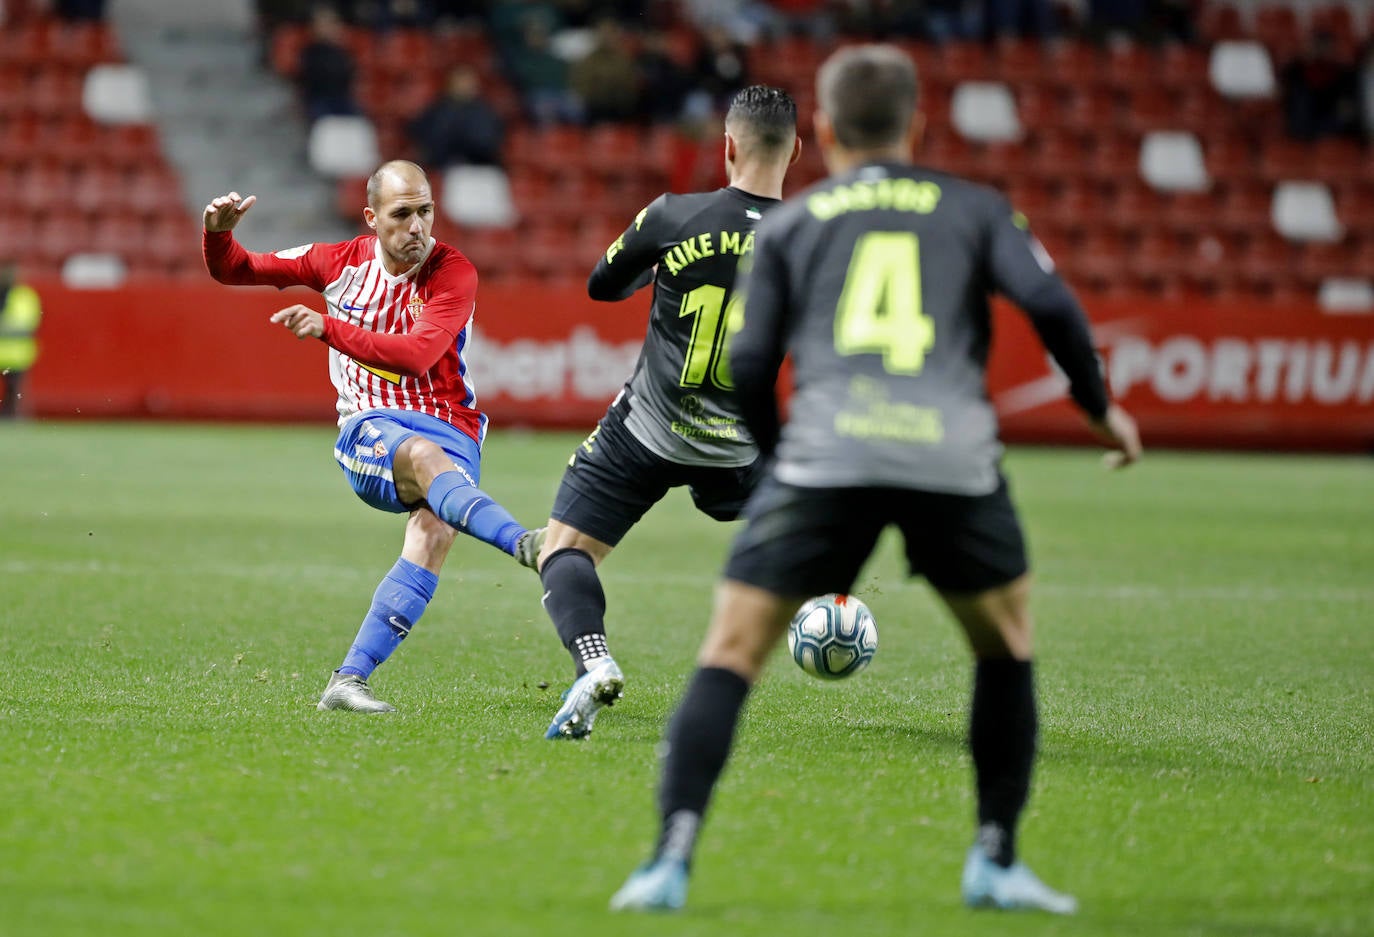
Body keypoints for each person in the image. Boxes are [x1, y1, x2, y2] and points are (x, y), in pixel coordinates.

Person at [609, 44, 1142, 914]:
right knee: (1003, 642)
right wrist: (1097, 408)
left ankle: (669, 859)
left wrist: (778, 455)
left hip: (828, 454)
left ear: (822, 128)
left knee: (734, 647)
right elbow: (1051, 305)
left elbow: (748, 359)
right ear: (917, 125)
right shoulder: (975, 208)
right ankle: (996, 858)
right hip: (950, 457)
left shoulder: (793, 221)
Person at [201, 159, 543, 714]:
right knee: (425, 459)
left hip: (453, 427)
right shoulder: (334, 262)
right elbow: (237, 269)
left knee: (433, 534)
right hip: (371, 427)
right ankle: (528, 545)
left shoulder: (454, 272)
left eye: (425, 212)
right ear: (371, 218)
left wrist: (326, 327)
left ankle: (348, 681)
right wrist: (218, 237)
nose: (417, 227)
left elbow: (417, 357)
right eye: (402, 214)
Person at [534, 85, 801, 741]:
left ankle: (592, 661)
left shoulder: (675, 215)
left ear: (728, 145)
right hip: (741, 449)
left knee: (562, 548)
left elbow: (604, 284)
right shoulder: (812, 237)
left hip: (649, 431)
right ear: (796, 148)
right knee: (793, 526)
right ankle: (818, 593)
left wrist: (659, 270)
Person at [409, 65, 505, 169]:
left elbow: (488, 143)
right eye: (460, 81)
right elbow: (430, 141)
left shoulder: (485, 111)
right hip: (444, 168)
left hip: (480, 169)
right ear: (450, 84)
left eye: (468, 82)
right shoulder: (437, 110)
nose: (464, 86)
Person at [0, 260, 42, 420]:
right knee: (14, 390)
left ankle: (13, 416)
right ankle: (13, 416)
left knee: (14, 390)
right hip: (15, 353)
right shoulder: (25, 296)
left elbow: (29, 324)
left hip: (17, 354)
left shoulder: (25, 296)